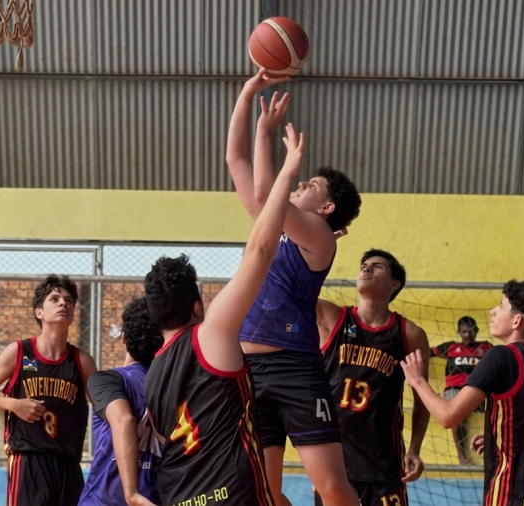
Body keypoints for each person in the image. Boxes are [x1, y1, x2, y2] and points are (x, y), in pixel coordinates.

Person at [144, 121, 308, 506]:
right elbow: (261, 251)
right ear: (197, 306)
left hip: (178, 498)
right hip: (230, 496)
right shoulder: (209, 333)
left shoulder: (152, 373)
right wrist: (287, 172)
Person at [226, 68, 362, 506]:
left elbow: (267, 191)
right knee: (264, 493)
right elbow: (236, 162)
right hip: (248, 370)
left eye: (311, 186)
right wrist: (248, 94)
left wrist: (269, 139)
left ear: (326, 207)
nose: (301, 184)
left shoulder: (319, 237)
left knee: (332, 487)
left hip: (293, 368)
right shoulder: (274, 226)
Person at [402, 280, 524, 506]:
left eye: (501, 306)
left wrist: (418, 380)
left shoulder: (502, 357)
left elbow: (448, 416)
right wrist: (500, 437)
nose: (493, 311)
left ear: (518, 320)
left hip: (516, 493)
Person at [315, 250, 431, 506]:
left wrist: (415, 448)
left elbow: (423, 398)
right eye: (364, 265)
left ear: (394, 284)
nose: (366, 269)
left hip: (382, 459)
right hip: (334, 458)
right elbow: (296, 285)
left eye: (377, 267)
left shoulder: (410, 334)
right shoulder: (332, 317)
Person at [0, 275, 97, 506]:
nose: (63, 304)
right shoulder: (19, 352)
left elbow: (104, 408)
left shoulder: (82, 361)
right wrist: (13, 404)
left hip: (68, 463)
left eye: (69, 301)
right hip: (28, 460)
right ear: (39, 312)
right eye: (55, 299)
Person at [79, 297, 164, 506]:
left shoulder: (108, 380)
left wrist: (132, 494)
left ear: (124, 338)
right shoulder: (173, 386)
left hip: (106, 500)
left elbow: (124, 420)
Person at [431, 316, 492, 464]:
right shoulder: (450, 347)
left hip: (477, 389)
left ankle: (494, 454)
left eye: (471, 331)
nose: (468, 335)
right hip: (455, 389)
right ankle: (462, 458)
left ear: (476, 331)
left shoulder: (485, 347)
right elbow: (427, 352)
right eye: (464, 332)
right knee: (456, 414)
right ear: (459, 332)